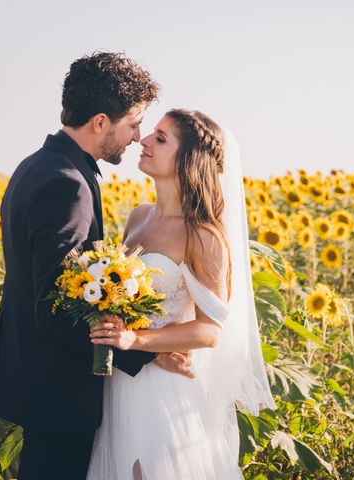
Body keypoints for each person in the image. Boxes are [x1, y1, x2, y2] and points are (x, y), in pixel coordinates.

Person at [0, 52, 192, 480]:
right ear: (100, 122)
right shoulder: (66, 184)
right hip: (57, 391)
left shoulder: (36, 165)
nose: (137, 137)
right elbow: (58, 305)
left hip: (35, 378)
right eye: (133, 123)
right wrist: (144, 354)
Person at [87, 109, 276, 479]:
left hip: (163, 391)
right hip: (122, 381)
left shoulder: (202, 234)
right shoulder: (138, 217)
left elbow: (210, 330)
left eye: (160, 138)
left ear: (189, 159)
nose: (143, 141)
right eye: (151, 133)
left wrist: (136, 339)